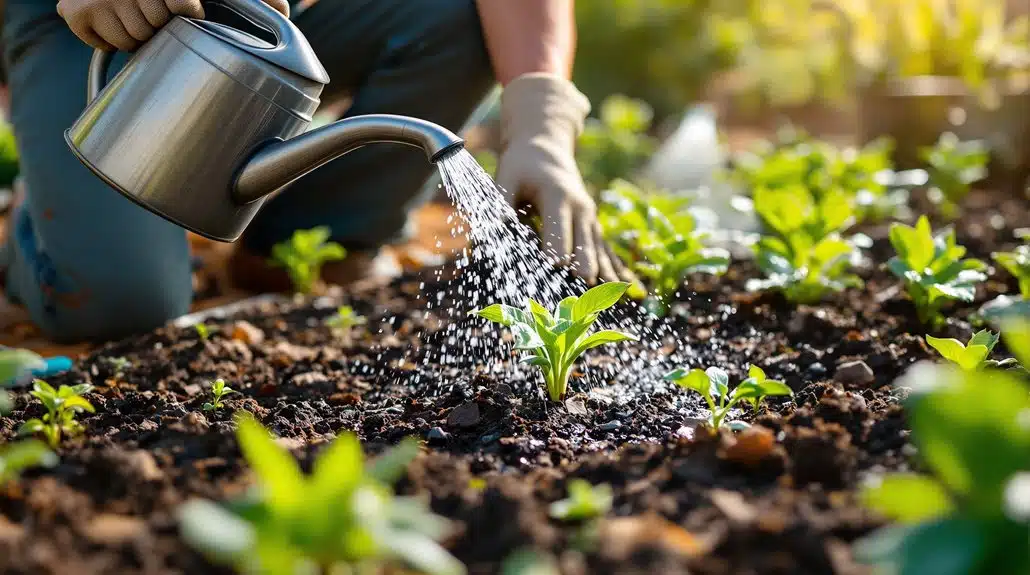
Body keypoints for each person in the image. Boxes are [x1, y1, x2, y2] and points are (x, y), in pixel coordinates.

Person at [0, 0, 631, 343]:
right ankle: (42, 214)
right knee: (119, 305)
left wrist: (542, 121)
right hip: (92, 17)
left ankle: (303, 238)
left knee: (459, 19)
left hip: (271, 14)